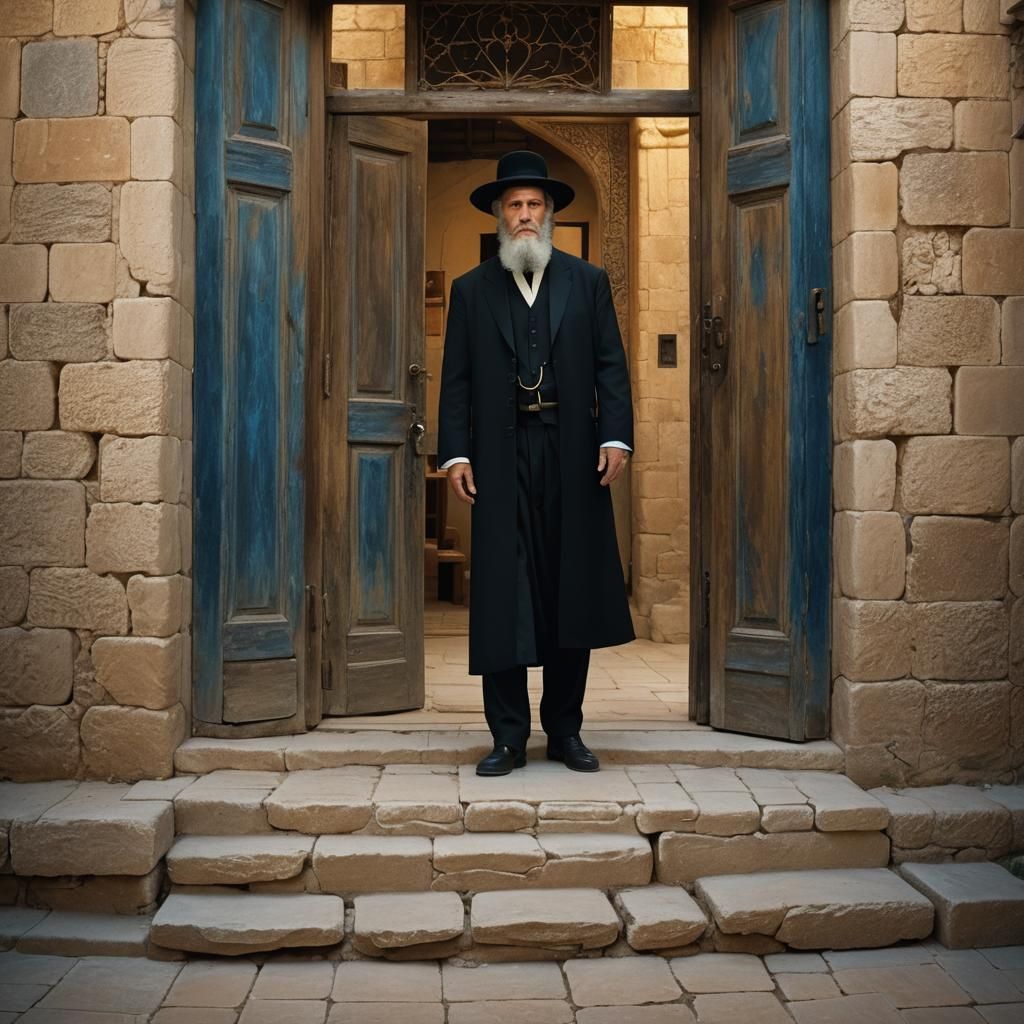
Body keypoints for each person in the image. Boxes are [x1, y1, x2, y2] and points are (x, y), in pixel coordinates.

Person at [437, 150, 635, 777]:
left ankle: (567, 731)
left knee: (568, 588)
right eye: (514, 205)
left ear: (549, 215)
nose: (524, 215)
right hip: (498, 457)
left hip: (571, 452)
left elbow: (611, 365)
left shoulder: (588, 281)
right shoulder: (472, 290)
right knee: (504, 592)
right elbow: (456, 381)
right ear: (500, 214)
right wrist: (457, 452)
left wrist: (617, 438)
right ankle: (508, 738)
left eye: (534, 205)